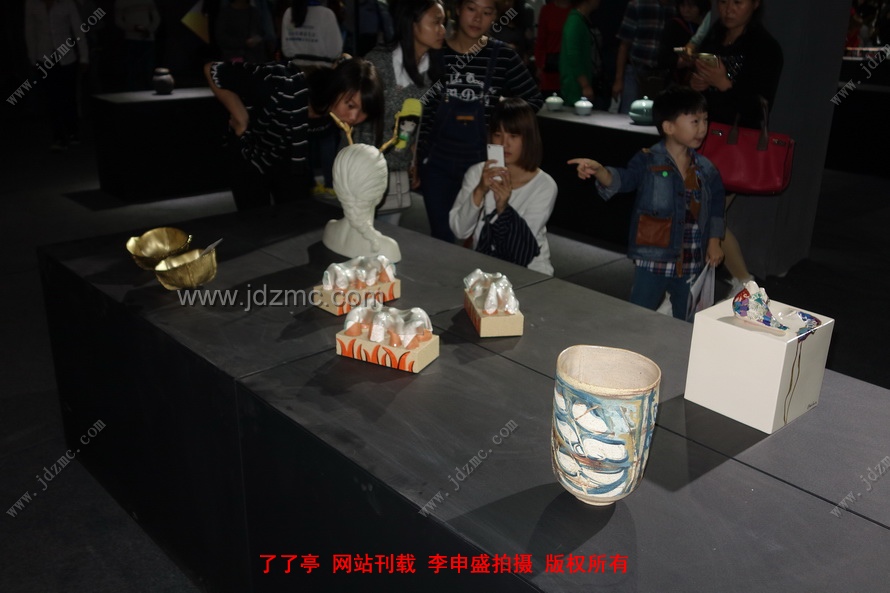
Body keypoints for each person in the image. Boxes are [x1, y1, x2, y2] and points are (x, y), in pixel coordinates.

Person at [568, 86, 725, 320]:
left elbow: (716, 206)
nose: (703, 128)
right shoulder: (648, 160)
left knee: (689, 319)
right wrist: (600, 171)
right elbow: (624, 180)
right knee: (638, 315)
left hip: (691, 259)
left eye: (705, 120)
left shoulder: (706, 168)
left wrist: (714, 242)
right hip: (652, 258)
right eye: (695, 121)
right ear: (669, 127)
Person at [418, 0, 543, 243]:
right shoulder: (435, 52)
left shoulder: (503, 56)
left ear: (495, 17)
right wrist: (417, 155)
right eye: (471, 9)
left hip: (483, 163)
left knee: (477, 239)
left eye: (487, 12)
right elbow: (424, 109)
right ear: (458, 9)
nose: (477, 18)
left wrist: (502, 118)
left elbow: (533, 100)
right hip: (437, 163)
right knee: (442, 238)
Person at [204, 57, 383, 211]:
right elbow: (212, 68)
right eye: (350, 106)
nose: (353, 117)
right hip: (249, 153)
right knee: (256, 223)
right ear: (336, 87)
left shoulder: (334, 112)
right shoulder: (282, 83)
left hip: (288, 156)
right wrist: (240, 116)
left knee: (296, 219)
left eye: (363, 112)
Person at [690, 0, 782, 294]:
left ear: (755, 4)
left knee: (705, 212)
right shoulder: (714, 35)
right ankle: (744, 285)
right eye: (723, 1)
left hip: (731, 147)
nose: (728, 8)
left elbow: (759, 106)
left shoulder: (764, 47)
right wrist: (699, 84)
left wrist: (724, 83)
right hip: (701, 138)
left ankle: (743, 285)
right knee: (703, 213)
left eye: (737, 2)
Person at [354, 0, 447, 224]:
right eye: (436, 22)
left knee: (388, 233)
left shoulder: (431, 73)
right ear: (412, 24)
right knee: (358, 231)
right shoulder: (377, 62)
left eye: (444, 23)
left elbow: (415, 123)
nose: (442, 30)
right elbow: (356, 119)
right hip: (363, 169)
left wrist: (412, 162)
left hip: (397, 172)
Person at [450, 98, 557, 274]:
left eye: (513, 136)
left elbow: (521, 245)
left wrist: (503, 209)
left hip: (529, 270)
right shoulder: (477, 173)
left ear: (528, 138)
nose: (504, 144)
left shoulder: (544, 185)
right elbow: (459, 231)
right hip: (484, 268)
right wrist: (479, 191)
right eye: (498, 135)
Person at [25, 0, 89, 151]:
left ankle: (72, 131)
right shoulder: (32, 3)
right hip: (44, 56)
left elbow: (77, 29)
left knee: (68, 96)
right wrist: (32, 57)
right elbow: (30, 30)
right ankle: (58, 135)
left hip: (66, 56)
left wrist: (84, 57)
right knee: (51, 98)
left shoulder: (66, 3)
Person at [612, 0, 674, 114]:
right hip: (636, 69)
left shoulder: (673, 7)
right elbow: (624, 44)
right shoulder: (638, 4)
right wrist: (618, 79)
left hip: (663, 73)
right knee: (628, 114)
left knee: (658, 116)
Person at [558, 0, 601, 106]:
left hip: (578, 82)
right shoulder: (575, 21)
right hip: (575, 84)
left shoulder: (580, 20)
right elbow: (573, 54)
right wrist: (585, 85)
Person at [657, 0, 710, 85]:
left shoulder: (711, 25)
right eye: (682, 5)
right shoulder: (674, 25)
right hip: (679, 80)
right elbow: (663, 57)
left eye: (691, 6)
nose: (686, 10)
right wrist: (684, 60)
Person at [114, 0, 160, 90]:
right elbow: (118, 21)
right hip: (131, 39)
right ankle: (132, 91)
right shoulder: (120, 2)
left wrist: (149, 30)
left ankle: (147, 90)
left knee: (148, 68)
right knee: (133, 69)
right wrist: (134, 28)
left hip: (148, 39)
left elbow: (156, 18)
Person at [280, 0, 343, 66]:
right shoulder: (327, 14)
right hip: (321, 68)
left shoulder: (288, 13)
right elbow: (335, 51)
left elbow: (286, 49)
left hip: (294, 68)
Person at [534, 0, 571, 94]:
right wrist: (540, 64)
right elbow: (541, 40)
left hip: (571, 67)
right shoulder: (547, 10)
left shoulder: (576, 11)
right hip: (551, 66)